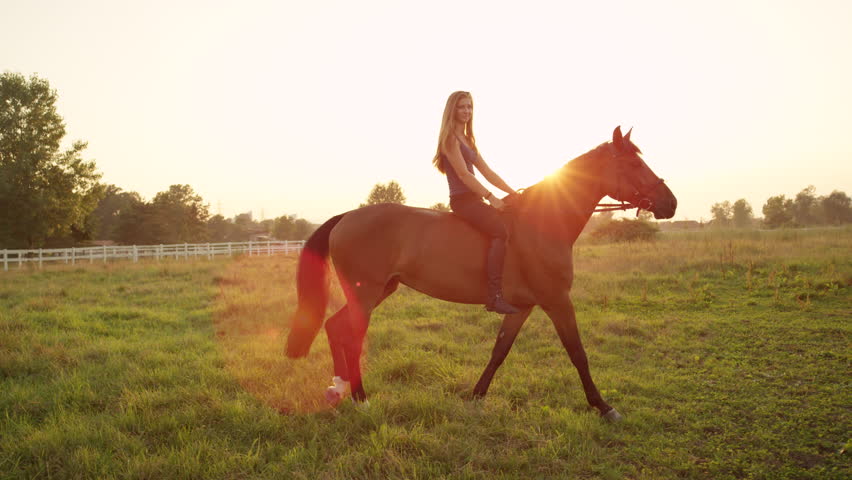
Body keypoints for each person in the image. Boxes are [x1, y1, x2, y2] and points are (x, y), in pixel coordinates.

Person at [433, 91, 521, 314]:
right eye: (462, 107)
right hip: (463, 201)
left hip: (475, 197)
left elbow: (487, 172)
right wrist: (492, 199)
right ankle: (494, 296)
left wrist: (513, 193)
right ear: (452, 110)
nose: (466, 111)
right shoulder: (450, 139)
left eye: (469, 107)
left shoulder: (468, 139)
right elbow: (464, 175)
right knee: (500, 232)